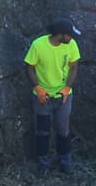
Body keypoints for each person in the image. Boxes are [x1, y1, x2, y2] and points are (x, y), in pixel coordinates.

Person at [24, 19, 82, 172]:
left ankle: (66, 163)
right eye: (69, 35)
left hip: (63, 97)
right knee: (42, 131)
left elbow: (74, 66)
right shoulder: (38, 45)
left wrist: (67, 88)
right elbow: (29, 67)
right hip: (42, 97)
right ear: (60, 35)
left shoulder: (71, 45)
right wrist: (38, 88)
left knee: (63, 130)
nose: (72, 38)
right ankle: (43, 164)